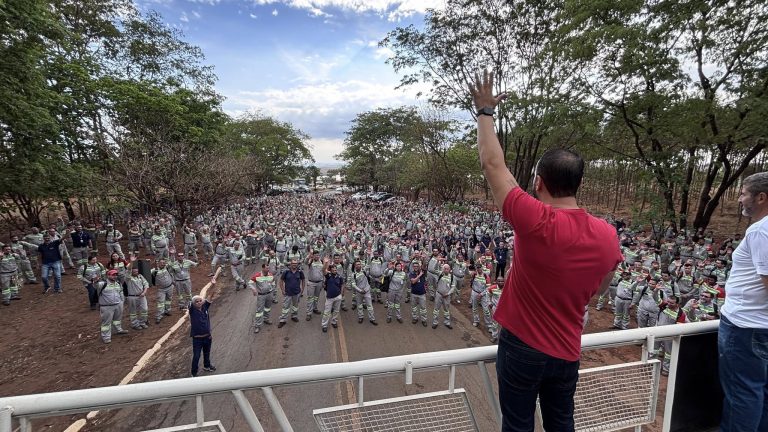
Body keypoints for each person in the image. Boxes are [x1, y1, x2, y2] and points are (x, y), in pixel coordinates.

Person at [469, 70, 622, 431]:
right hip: (567, 350)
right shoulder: (607, 234)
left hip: (522, 347)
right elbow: (600, 289)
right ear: (578, 183)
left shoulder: (535, 220)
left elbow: (494, 165)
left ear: (538, 182)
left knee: (518, 424)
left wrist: (485, 112)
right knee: (560, 423)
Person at [718, 172, 768, 432]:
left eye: (743, 193)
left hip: (747, 327)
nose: (739, 199)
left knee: (742, 395)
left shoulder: (761, 230)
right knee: (760, 393)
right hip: (759, 327)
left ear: (761, 197)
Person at [96, 269, 129, 343]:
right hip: (107, 307)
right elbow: (95, 285)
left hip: (118, 305)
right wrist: (95, 280)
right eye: (113, 275)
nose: (115, 276)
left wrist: (122, 302)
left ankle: (118, 330)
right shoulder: (102, 284)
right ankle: (106, 337)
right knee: (106, 323)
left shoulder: (117, 283)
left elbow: (121, 292)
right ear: (108, 276)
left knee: (117, 319)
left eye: (116, 275)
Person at [189, 295, 216, 377]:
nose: (199, 302)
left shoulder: (205, 308)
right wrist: (198, 300)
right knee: (196, 356)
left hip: (207, 337)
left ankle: (207, 366)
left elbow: (210, 296)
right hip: (197, 339)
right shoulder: (192, 310)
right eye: (196, 302)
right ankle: (194, 373)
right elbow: (190, 303)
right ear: (194, 304)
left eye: (200, 301)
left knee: (207, 353)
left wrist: (213, 284)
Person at [248, 264, 276, 334]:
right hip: (261, 296)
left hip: (269, 294)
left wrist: (272, 289)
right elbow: (250, 283)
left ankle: (266, 319)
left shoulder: (270, 275)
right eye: (267, 268)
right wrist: (254, 289)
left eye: (268, 268)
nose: (268, 270)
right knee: (259, 311)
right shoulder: (257, 276)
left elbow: (273, 282)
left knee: (268, 308)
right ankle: (257, 325)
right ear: (263, 268)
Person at [277, 260, 304, 328]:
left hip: (296, 293)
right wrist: (282, 290)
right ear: (291, 264)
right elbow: (281, 281)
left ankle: (294, 316)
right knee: (285, 307)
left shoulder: (300, 272)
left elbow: (303, 280)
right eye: (293, 263)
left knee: (295, 306)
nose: (294, 265)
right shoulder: (286, 272)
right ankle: (283, 320)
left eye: (296, 263)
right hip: (288, 293)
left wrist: (302, 290)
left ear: (297, 264)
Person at [321, 258, 344, 333]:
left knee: (336, 311)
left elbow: (342, 285)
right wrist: (325, 263)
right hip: (329, 298)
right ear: (330, 270)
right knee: (327, 312)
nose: (335, 271)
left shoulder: (339, 277)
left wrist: (341, 294)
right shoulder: (328, 276)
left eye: (335, 270)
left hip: (338, 297)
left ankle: (334, 322)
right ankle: (324, 325)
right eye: (333, 270)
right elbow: (323, 270)